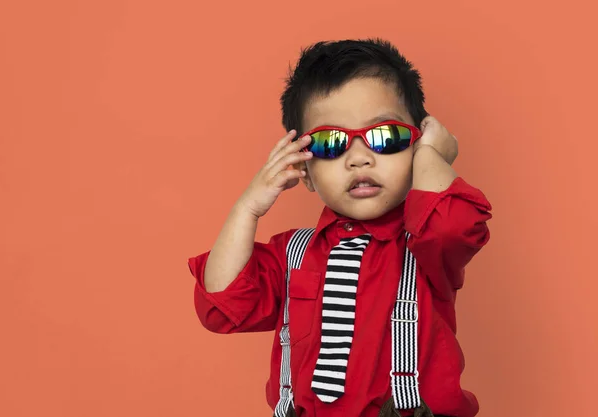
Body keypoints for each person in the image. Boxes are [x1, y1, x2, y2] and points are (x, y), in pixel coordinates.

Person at [188, 38, 492, 417]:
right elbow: (222, 304)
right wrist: (248, 207)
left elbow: (453, 226)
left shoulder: (426, 243)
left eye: (386, 136)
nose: (360, 159)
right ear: (305, 170)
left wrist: (431, 154)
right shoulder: (292, 254)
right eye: (332, 143)